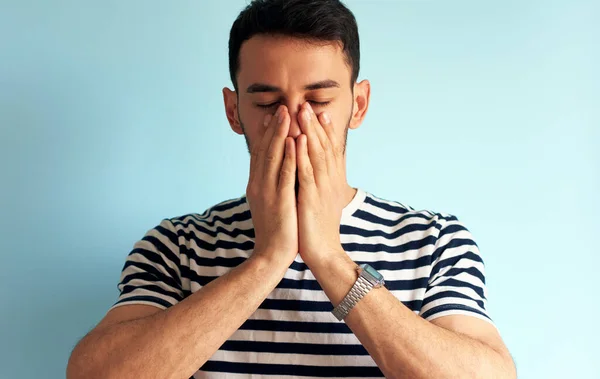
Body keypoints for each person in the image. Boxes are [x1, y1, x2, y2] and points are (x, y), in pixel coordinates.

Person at [67, 0, 516, 378]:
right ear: (234, 110)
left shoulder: (433, 241)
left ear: (357, 105)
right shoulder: (177, 245)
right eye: (267, 104)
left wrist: (328, 257)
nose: (295, 123)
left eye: (319, 101)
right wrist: (267, 259)